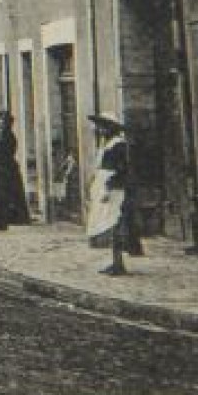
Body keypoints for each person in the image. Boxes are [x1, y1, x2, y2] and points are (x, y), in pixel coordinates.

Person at [86, 112, 142, 275]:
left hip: (115, 189)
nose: (100, 130)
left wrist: (109, 186)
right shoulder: (107, 144)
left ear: (111, 128)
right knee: (109, 224)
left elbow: (122, 169)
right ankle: (115, 261)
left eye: (103, 127)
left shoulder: (119, 145)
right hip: (104, 185)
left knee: (114, 223)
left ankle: (118, 264)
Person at [0, 111, 32, 225]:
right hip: (5, 166)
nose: (0, 125)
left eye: (3, 122)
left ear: (8, 124)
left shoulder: (8, 136)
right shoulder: (3, 135)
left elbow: (3, 152)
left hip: (7, 167)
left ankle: (14, 217)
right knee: (9, 193)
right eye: (0, 122)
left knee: (10, 192)